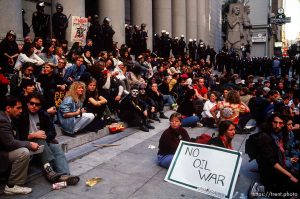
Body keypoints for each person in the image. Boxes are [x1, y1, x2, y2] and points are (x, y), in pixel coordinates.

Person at [16, 93, 80, 185]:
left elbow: (52, 132)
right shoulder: (21, 115)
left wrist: (44, 136)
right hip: (26, 144)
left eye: (37, 104)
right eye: (32, 103)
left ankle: (65, 175)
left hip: (42, 143)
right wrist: (33, 135)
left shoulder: (43, 114)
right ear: (27, 103)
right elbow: (18, 137)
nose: (34, 106)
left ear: (40, 106)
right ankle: (49, 171)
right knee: (39, 139)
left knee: (56, 148)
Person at [0, 96, 39, 195]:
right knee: (23, 152)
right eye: (18, 108)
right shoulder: (2, 120)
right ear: (8, 108)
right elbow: (10, 143)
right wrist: (28, 144)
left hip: (4, 150)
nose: (21, 111)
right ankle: (12, 186)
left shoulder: (8, 118)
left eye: (21, 108)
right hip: (2, 154)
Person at [256, 113, 300, 193]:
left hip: (280, 169)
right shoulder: (264, 137)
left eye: (280, 123)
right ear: (270, 122)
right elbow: (272, 162)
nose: (277, 125)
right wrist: (289, 175)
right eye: (275, 122)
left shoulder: (279, 135)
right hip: (271, 174)